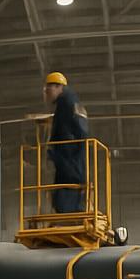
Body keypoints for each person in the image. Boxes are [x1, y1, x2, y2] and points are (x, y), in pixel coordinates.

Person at [43, 72, 89, 214]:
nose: (46, 93)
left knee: (65, 201)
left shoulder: (66, 102)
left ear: (58, 87)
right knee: (63, 195)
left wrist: (59, 151)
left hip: (69, 164)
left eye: (48, 89)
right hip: (70, 163)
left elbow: (77, 132)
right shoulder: (70, 102)